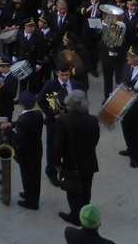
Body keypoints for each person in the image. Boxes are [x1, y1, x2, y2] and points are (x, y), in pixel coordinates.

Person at [55, 90, 99, 225]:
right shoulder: (93, 119)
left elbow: (59, 144)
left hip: (71, 162)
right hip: (89, 160)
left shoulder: (64, 119)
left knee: (73, 191)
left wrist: (57, 162)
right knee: (86, 189)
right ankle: (85, 213)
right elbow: (95, 139)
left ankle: (75, 217)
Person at [0, 90, 43, 209]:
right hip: (37, 150)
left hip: (27, 153)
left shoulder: (24, 121)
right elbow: (21, 122)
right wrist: (11, 124)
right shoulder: (38, 114)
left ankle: (31, 202)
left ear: (20, 104)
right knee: (35, 176)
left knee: (28, 177)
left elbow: (19, 138)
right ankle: (31, 194)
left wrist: (8, 130)